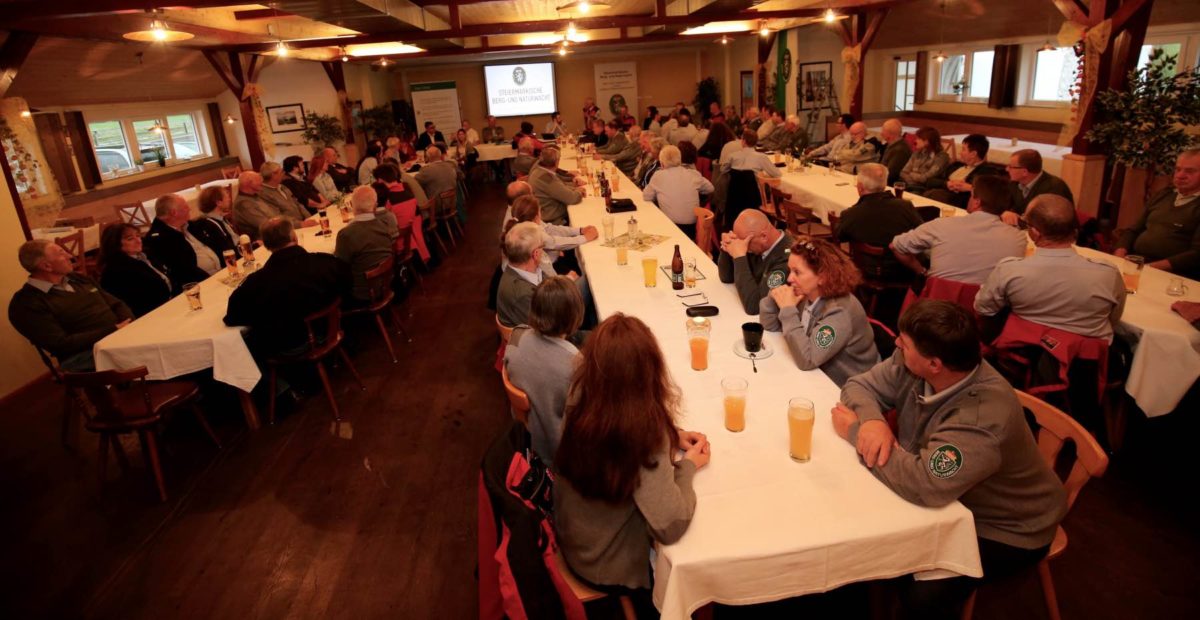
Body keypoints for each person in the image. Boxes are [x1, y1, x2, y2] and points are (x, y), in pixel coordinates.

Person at [832, 300, 1067, 617]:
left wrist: (856, 431)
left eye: (905, 344)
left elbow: (926, 485)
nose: (896, 344)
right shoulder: (914, 363)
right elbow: (860, 385)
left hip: (1010, 525)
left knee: (918, 593)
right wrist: (873, 423)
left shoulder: (981, 419)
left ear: (934, 365)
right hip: (951, 494)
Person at [554, 313, 709, 610]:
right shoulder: (643, 434)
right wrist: (688, 467)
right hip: (606, 563)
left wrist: (672, 433)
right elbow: (671, 524)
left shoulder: (581, 393)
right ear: (650, 369)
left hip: (572, 535)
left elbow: (610, 434)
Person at [976, 195, 1125, 341]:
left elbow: (983, 309)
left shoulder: (1010, 270)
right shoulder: (1109, 274)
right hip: (1084, 361)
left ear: (1034, 233)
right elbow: (1113, 320)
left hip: (1022, 355)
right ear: (1074, 232)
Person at [760, 238, 880, 385]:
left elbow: (807, 360)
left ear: (822, 277)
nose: (790, 278)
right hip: (817, 373)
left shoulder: (839, 311)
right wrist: (775, 296)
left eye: (797, 272)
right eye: (790, 270)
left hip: (845, 386)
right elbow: (769, 325)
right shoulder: (807, 291)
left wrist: (787, 310)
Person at [224, 217, 350, 357]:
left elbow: (232, 317)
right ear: (294, 237)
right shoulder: (325, 263)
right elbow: (348, 285)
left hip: (290, 345)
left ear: (266, 245)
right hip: (331, 329)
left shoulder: (257, 283)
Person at [9, 240, 133, 371]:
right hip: (83, 355)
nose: (70, 256)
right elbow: (61, 344)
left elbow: (116, 304)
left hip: (117, 337)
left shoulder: (77, 279)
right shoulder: (27, 303)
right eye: (61, 254)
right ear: (46, 266)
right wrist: (113, 330)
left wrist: (129, 324)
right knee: (142, 354)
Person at [503, 276, 584, 467]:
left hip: (528, 434)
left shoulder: (516, 336)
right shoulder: (576, 366)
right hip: (562, 452)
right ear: (573, 316)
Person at [891, 175, 1027, 285]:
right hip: (983, 312)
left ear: (977, 202)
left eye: (971, 195)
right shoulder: (1018, 238)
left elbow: (896, 246)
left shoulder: (941, 225)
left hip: (936, 303)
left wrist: (922, 272)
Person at [1114, 148, 1200, 276]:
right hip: (1137, 263)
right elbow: (1134, 229)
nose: (1180, 175)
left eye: (1190, 171)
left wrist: (1148, 268)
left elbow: (1197, 254)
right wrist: (1119, 255)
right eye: (1178, 169)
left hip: (1173, 274)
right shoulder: (1164, 195)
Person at [834, 163, 924, 280]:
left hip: (870, 271)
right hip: (906, 269)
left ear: (860, 187)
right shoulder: (905, 206)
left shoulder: (851, 214)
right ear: (884, 185)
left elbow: (839, 236)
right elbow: (922, 233)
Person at [718, 209, 795, 315]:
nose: (743, 246)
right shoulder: (754, 242)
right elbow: (727, 277)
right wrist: (727, 246)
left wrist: (739, 257)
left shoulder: (787, 259)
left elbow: (754, 306)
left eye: (745, 242)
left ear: (764, 237)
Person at [502, 195, 597, 277]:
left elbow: (551, 229)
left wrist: (579, 231)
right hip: (548, 272)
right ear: (536, 217)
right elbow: (554, 243)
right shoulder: (531, 234)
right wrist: (585, 238)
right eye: (540, 211)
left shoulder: (525, 225)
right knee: (587, 273)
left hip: (548, 264)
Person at [334, 186, 400, 305]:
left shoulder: (346, 234)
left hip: (362, 294)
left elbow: (339, 268)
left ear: (352, 206)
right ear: (375, 206)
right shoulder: (384, 225)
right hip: (387, 283)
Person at [144, 194, 218, 292]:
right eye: (185, 207)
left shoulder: (187, 226)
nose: (189, 209)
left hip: (217, 274)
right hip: (198, 286)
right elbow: (185, 271)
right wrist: (212, 280)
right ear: (174, 213)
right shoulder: (161, 240)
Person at [97, 223, 172, 318]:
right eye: (130, 239)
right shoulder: (117, 270)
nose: (138, 241)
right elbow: (140, 303)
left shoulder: (143, 256)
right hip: (151, 315)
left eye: (138, 236)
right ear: (115, 244)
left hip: (167, 305)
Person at [642, 145, 714, 240]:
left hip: (669, 228)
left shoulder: (659, 175)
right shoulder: (693, 174)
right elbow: (710, 188)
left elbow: (646, 196)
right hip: (692, 229)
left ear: (662, 163)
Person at [924, 134, 1007, 209]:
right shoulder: (956, 165)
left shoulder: (987, 172)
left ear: (973, 154)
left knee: (933, 195)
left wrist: (970, 188)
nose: (960, 153)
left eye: (963, 149)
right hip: (936, 197)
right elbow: (930, 181)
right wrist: (946, 184)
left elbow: (992, 194)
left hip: (955, 205)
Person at [497, 222, 553, 327]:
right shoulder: (523, 295)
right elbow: (547, 331)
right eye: (542, 246)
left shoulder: (527, 270)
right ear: (536, 254)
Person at [373, 163, 430, 263]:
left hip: (398, 244)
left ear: (380, 180)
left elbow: (380, 222)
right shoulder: (406, 188)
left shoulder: (387, 198)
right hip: (411, 236)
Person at [1005, 149, 1073, 225]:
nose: (1007, 169)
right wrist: (1005, 212)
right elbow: (1005, 204)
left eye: (1011, 167)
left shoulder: (1054, 188)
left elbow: (1051, 224)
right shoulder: (1014, 183)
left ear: (1024, 172)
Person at [529, 147, 583, 226]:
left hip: (544, 213)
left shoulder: (539, 170)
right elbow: (572, 198)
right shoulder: (547, 178)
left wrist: (574, 187)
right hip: (553, 221)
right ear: (556, 162)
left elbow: (559, 186)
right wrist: (579, 192)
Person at [190, 185, 239, 259]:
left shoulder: (220, 219)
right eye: (227, 197)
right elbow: (227, 252)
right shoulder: (210, 225)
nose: (229, 199)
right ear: (219, 203)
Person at [898, 127, 950, 192]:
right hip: (910, 186)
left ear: (927, 141)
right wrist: (913, 181)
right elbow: (903, 172)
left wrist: (911, 174)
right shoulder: (917, 153)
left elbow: (926, 178)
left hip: (926, 190)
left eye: (918, 138)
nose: (915, 141)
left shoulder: (941, 157)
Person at [232, 171, 281, 241]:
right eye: (258, 180)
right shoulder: (243, 204)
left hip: (277, 233)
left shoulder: (255, 196)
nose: (262, 182)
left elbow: (276, 213)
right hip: (266, 240)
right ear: (248, 184)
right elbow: (266, 225)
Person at [878, 119, 912, 185]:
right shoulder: (891, 144)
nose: (881, 133)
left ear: (890, 134)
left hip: (891, 185)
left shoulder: (900, 150)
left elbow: (890, 174)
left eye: (883, 130)